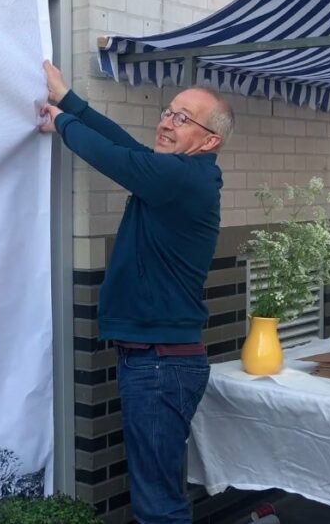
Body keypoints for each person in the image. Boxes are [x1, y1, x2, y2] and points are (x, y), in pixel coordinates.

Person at [39, 60, 231, 523]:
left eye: (183, 118)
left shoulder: (183, 177)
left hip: (160, 364)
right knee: (159, 497)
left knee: (159, 508)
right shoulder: (178, 176)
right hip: (158, 361)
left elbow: (118, 160)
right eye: (168, 112)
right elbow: (127, 147)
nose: (167, 122)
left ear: (209, 141)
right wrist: (69, 102)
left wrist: (62, 121)